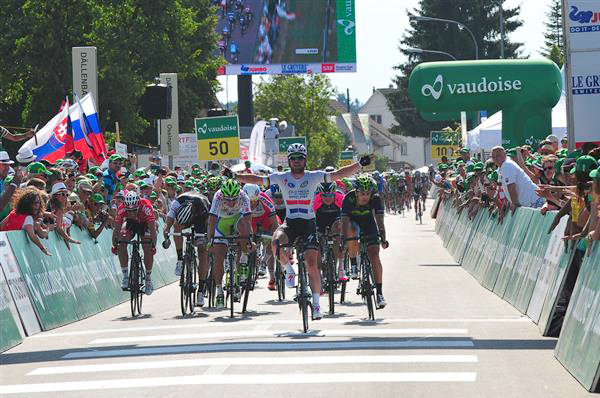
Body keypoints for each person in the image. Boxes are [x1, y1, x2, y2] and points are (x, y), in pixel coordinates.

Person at [231, 143, 372, 320]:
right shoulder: (281, 177)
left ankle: (316, 305)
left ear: (305, 160)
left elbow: (338, 174)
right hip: (291, 223)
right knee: (276, 241)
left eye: (300, 158)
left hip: (308, 223)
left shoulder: (314, 176)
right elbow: (258, 180)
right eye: (293, 158)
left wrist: (359, 164)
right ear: (289, 161)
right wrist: (236, 176)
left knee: (312, 264)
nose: (297, 161)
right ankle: (289, 269)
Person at [341, 175, 389, 308]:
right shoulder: (348, 199)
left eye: (368, 193)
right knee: (351, 231)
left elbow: (380, 221)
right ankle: (354, 264)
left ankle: (379, 293)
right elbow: (344, 222)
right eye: (362, 193)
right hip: (352, 223)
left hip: (369, 224)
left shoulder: (376, 198)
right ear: (356, 192)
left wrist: (383, 238)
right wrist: (342, 239)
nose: (365, 197)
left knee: (374, 255)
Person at [206, 179, 254, 308]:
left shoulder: (244, 196)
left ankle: (243, 259)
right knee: (219, 257)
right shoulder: (217, 196)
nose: (231, 202)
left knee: (243, 226)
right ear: (223, 196)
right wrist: (210, 240)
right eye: (228, 199)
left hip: (238, 221)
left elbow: (248, 220)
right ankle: (219, 292)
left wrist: (250, 239)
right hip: (222, 223)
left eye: (234, 199)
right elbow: (211, 220)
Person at [163, 190, 211, 307]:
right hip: (184, 218)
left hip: (201, 220)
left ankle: (201, 290)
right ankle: (180, 260)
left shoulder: (204, 206)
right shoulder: (177, 203)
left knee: (202, 252)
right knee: (176, 227)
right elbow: (168, 223)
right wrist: (166, 235)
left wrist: (207, 239)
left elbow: (210, 225)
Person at [112, 191, 157, 295]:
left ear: (138, 204)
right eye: (129, 211)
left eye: (134, 210)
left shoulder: (146, 206)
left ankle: (148, 279)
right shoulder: (122, 207)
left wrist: (153, 246)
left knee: (147, 247)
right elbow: (117, 228)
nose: (131, 212)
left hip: (145, 223)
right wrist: (115, 244)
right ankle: (125, 276)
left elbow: (152, 229)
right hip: (131, 223)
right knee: (122, 242)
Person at [243, 183, 280, 288]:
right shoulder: (240, 200)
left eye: (254, 201)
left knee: (273, 238)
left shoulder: (265, 199)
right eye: (249, 202)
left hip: (266, 218)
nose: (252, 204)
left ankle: (264, 262)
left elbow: (274, 223)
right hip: (251, 220)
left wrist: (274, 238)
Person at [0, 187, 51, 255]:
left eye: (39, 202)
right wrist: (43, 248)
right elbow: (32, 236)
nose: (37, 205)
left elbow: (1, 225)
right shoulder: (28, 218)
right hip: (9, 248)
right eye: (34, 203)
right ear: (27, 204)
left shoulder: (14, 212)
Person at [491, 146, 544, 210]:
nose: (496, 158)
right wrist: (505, 205)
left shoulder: (507, 165)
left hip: (535, 201)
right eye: (493, 157)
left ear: (504, 154)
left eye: (498, 155)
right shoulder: (503, 166)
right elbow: (505, 188)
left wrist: (515, 204)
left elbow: (511, 186)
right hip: (533, 201)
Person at [314, 181, 346, 280]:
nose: (328, 198)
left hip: (335, 218)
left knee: (337, 238)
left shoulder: (340, 198)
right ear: (320, 194)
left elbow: (347, 214)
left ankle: (341, 268)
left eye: (331, 195)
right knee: (316, 242)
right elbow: (310, 217)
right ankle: (319, 271)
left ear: (335, 193)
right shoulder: (315, 199)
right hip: (320, 219)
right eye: (324, 196)